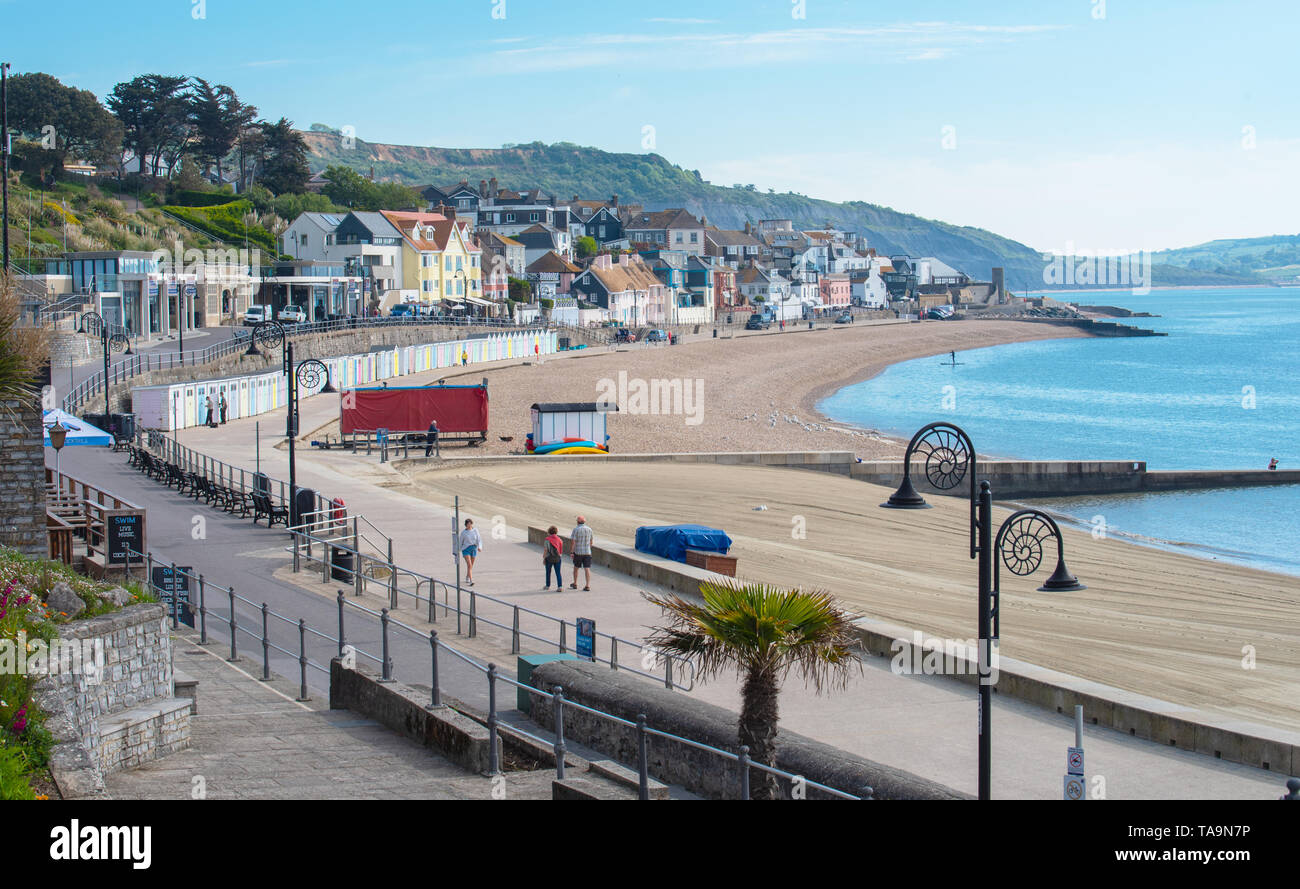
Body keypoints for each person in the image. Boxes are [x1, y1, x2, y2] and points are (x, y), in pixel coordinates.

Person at [568, 515, 594, 591]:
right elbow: (591, 541)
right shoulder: (589, 529)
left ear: (578, 522)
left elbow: (573, 542)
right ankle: (587, 585)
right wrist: (588, 548)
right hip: (587, 552)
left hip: (578, 552)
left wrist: (572, 552)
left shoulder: (576, 529)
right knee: (587, 568)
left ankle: (575, 583)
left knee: (576, 568)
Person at [459, 518, 482, 586]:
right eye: (468, 524)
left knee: (471, 565)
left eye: (470, 524)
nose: (469, 525)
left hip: (474, 548)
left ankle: (467, 576)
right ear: (466, 525)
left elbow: (479, 539)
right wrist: (458, 550)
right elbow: (460, 542)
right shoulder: (463, 533)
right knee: (469, 565)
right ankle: (471, 580)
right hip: (466, 549)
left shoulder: (475, 530)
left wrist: (479, 547)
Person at [542, 525, 564, 590]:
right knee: (558, 572)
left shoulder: (547, 540)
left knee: (548, 572)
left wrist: (544, 557)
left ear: (549, 532)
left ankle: (547, 586)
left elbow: (546, 550)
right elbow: (560, 550)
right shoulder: (560, 540)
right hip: (557, 558)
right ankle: (560, 587)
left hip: (549, 558)